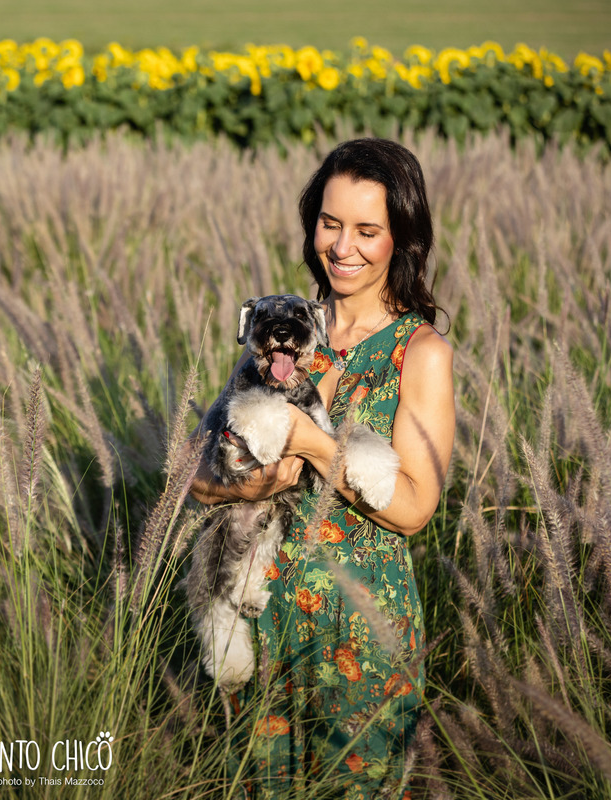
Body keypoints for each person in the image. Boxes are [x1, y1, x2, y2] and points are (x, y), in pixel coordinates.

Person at [188, 138, 455, 800]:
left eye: (368, 230)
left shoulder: (420, 353)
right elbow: (192, 474)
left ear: (402, 239)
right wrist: (248, 482)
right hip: (260, 611)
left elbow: (417, 506)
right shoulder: (282, 329)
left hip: (360, 624)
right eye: (330, 224)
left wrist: (309, 444)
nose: (343, 246)